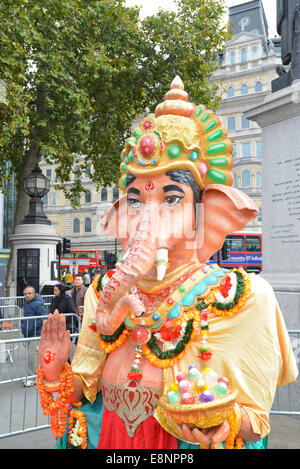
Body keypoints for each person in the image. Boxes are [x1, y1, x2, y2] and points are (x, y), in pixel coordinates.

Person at [37, 77, 298, 450]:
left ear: (207, 211)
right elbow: (81, 389)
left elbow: (254, 420)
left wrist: (224, 422)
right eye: (137, 200)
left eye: (171, 199)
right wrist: (54, 371)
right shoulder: (105, 292)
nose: (148, 217)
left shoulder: (243, 297)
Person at [21, 286, 47, 387]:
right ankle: (33, 376)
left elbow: (43, 317)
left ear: (34, 293)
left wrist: (33, 326)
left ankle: (33, 378)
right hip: (28, 332)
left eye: (29, 293)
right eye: (25, 294)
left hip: (36, 333)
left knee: (32, 356)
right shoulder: (26, 303)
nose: (26, 295)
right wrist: (24, 325)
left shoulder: (38, 303)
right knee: (31, 355)